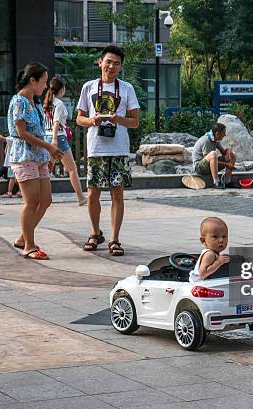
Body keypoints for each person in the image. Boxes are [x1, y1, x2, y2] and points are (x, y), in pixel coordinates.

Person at [76, 45, 140, 256]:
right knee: (93, 193)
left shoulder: (127, 89)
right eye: (108, 62)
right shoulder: (89, 87)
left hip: (119, 147)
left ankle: (115, 238)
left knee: (117, 193)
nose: (111, 66)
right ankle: (95, 233)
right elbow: (79, 119)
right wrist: (92, 120)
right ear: (100, 62)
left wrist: (118, 119)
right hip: (96, 148)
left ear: (121, 67)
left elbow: (135, 122)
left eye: (116, 63)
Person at [7, 62, 63, 260]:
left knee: (45, 200)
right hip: (24, 156)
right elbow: (21, 133)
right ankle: (29, 246)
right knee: (31, 202)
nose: (46, 87)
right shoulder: (19, 101)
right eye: (44, 82)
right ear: (32, 80)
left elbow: (38, 131)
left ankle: (24, 237)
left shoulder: (35, 103)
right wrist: (49, 147)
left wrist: (47, 152)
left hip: (38, 156)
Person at [43, 76, 86, 206]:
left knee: (47, 170)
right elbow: (56, 122)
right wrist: (55, 139)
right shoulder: (59, 104)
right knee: (72, 169)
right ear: (62, 89)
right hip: (58, 138)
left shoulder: (46, 102)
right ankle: (81, 197)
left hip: (46, 137)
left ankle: (43, 197)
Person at [192, 123, 238, 189]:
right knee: (213, 154)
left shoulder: (216, 140)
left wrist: (228, 151)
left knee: (232, 154)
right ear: (217, 133)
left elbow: (223, 152)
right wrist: (226, 164)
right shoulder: (206, 140)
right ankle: (216, 182)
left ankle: (227, 181)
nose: (225, 135)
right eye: (223, 133)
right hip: (200, 168)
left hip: (209, 165)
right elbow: (209, 160)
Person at [189, 217, 230, 282]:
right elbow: (202, 274)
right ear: (203, 241)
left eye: (224, 236)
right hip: (200, 284)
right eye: (215, 237)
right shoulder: (209, 254)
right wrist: (218, 262)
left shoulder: (214, 253)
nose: (221, 240)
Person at [0, 127, 21, 198]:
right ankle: (20, 191)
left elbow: (2, 138)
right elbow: (6, 149)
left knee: (12, 178)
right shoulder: (21, 138)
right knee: (20, 177)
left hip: (12, 161)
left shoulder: (12, 138)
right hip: (20, 161)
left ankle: (9, 192)